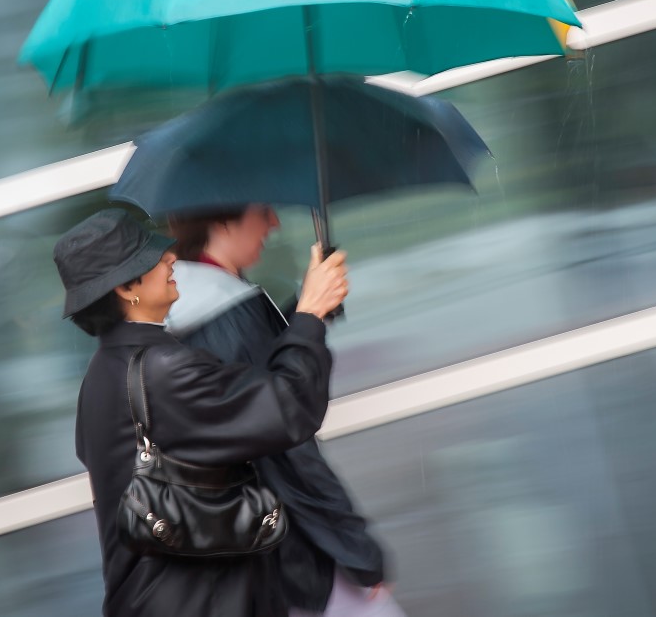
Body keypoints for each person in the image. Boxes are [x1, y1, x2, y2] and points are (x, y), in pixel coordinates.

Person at [56, 208, 349, 617]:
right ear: (126, 288)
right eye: (153, 258)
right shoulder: (162, 370)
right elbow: (288, 407)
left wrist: (302, 316)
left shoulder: (104, 373)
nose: (171, 258)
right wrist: (310, 315)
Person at [167, 205, 403, 617]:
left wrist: (308, 311)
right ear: (221, 219)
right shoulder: (225, 313)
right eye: (262, 210)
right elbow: (286, 444)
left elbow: (260, 392)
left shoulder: (196, 304)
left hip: (257, 552)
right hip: (298, 555)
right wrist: (357, 549)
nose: (274, 223)